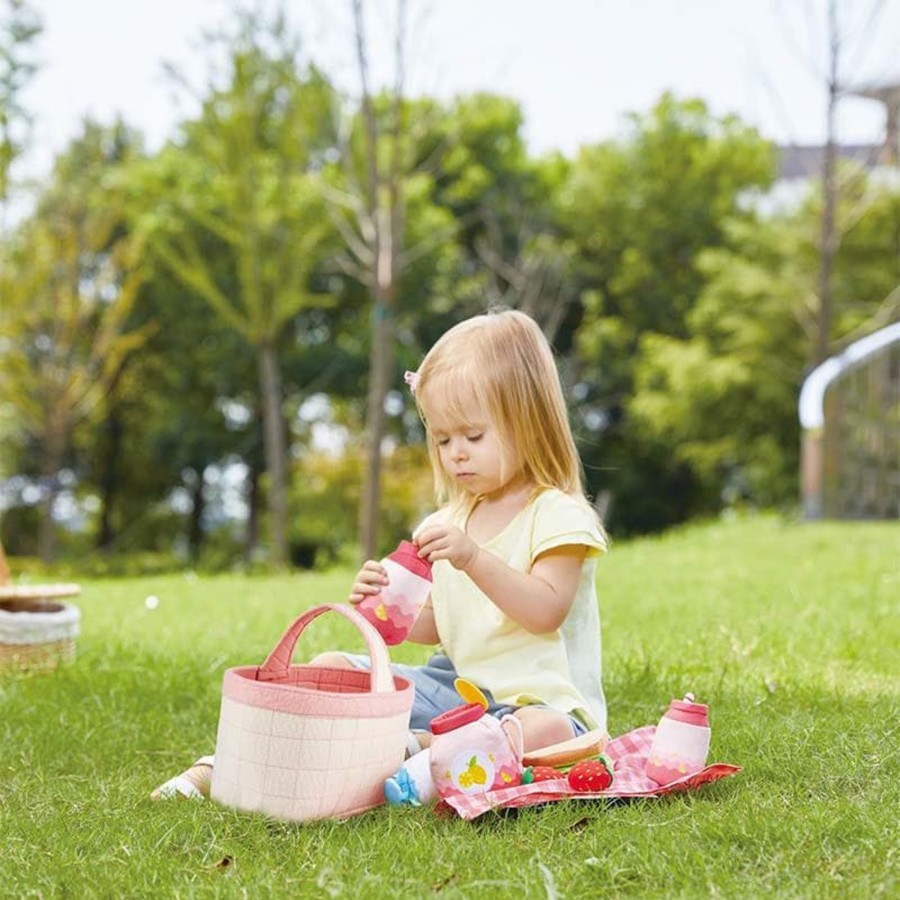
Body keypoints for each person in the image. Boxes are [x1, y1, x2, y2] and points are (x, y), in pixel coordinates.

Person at [151, 309, 608, 802]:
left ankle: (409, 752)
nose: (455, 453)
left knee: (548, 733)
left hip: (541, 701)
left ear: (530, 423)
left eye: (473, 436)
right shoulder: (447, 521)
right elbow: (433, 627)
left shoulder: (558, 515)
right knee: (330, 665)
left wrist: (474, 559)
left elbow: (544, 611)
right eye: (442, 438)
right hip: (458, 687)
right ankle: (230, 765)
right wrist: (385, 605)